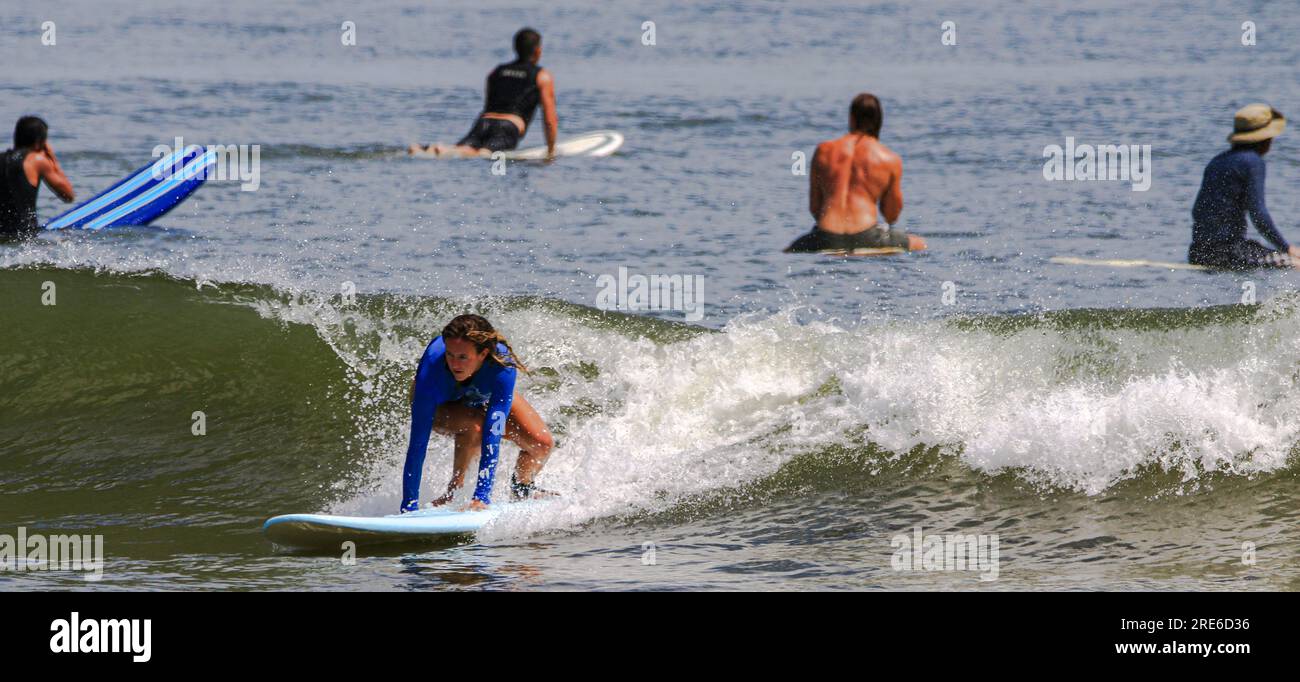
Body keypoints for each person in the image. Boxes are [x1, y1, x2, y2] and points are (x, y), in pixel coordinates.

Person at [401, 314, 555, 513]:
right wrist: (408, 506)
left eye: (463, 357)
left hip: (481, 395)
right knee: (474, 424)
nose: (454, 364)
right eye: (450, 354)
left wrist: (481, 497)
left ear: (482, 354)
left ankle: (522, 489)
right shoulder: (431, 369)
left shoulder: (503, 366)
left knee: (542, 443)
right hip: (442, 402)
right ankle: (453, 493)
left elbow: (493, 434)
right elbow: (417, 446)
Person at [786, 93, 926, 253]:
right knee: (919, 243)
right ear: (880, 121)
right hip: (867, 237)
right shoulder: (889, 159)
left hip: (826, 237)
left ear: (851, 119)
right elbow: (891, 215)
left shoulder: (823, 151)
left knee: (790, 249)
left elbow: (815, 207)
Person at [409, 28, 558, 160]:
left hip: (483, 123)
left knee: (465, 148)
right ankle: (442, 150)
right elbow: (549, 119)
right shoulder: (542, 76)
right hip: (508, 127)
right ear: (538, 50)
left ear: (515, 48)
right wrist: (551, 151)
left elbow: (490, 102)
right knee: (484, 153)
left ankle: (428, 148)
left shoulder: (496, 72)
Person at [1188, 103, 1298, 270]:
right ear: (1265, 139)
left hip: (1198, 252)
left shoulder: (1217, 161)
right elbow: (1259, 215)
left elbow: (1198, 210)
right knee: (1296, 262)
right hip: (1229, 253)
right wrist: (1286, 248)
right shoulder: (1252, 162)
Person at [0, 116, 75, 239]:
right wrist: (52, 159)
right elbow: (68, 195)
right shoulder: (36, 160)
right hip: (25, 236)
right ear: (39, 142)